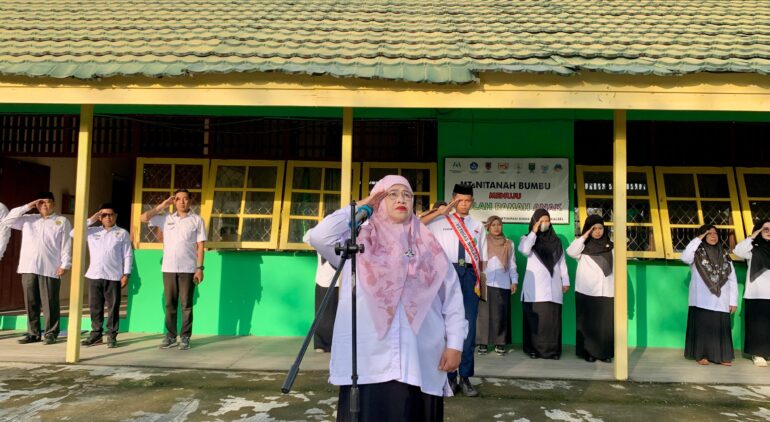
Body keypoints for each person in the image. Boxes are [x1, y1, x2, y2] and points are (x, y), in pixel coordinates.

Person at [309, 175, 466, 422]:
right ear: (379, 200)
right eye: (392, 194)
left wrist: (455, 344)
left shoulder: (429, 246)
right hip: (369, 362)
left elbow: (452, 297)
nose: (401, 199)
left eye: (407, 195)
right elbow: (320, 236)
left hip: (421, 358)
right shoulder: (356, 244)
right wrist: (365, 204)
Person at [420, 183, 486, 397]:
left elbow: (482, 259)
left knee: (468, 326)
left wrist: (481, 287)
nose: (464, 204)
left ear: (472, 202)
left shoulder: (478, 226)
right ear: (453, 200)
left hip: (470, 276)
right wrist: (439, 212)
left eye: (468, 201)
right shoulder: (439, 222)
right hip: (445, 273)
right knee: (444, 325)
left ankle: (465, 376)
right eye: (460, 200)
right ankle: (448, 377)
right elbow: (415, 226)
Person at [140, 188, 206, 350]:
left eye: (185, 198)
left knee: (186, 304)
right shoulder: (166, 219)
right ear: (174, 201)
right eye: (178, 199)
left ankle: (185, 337)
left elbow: (200, 245)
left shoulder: (197, 220)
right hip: (168, 268)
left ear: (190, 201)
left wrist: (199, 268)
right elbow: (143, 218)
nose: (182, 201)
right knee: (170, 304)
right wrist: (162, 205)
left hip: (188, 268)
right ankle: (170, 336)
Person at [4, 192, 72, 344]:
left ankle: (51, 333)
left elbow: (66, 244)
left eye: (47, 202)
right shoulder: (28, 220)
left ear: (54, 203)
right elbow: (7, 220)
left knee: (50, 302)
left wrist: (65, 264)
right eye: (41, 203)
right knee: (31, 302)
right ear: (37, 205)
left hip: (50, 268)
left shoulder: (61, 221)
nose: (44, 205)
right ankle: (33, 333)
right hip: (28, 267)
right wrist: (28, 206)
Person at [75, 203, 133, 348]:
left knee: (113, 308)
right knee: (95, 307)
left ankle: (112, 336)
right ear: (100, 217)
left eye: (110, 215)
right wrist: (92, 218)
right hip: (94, 275)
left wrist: (126, 274)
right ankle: (96, 335)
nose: (108, 217)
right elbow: (73, 233)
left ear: (115, 216)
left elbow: (127, 255)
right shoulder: (92, 231)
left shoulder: (122, 233)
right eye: (104, 215)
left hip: (113, 276)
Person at [681, 224, 737, 366]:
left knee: (720, 328)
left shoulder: (724, 254)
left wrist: (733, 300)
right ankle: (702, 355)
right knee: (703, 327)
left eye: (715, 233)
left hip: (721, 298)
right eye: (709, 233)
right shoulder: (696, 253)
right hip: (701, 299)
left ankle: (722, 356)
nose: (713, 236)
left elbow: (732, 278)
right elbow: (684, 257)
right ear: (702, 236)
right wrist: (698, 239)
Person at [518, 208, 569, 360]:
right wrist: (534, 232)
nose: (545, 223)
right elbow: (524, 250)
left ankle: (552, 351)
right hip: (535, 289)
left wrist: (565, 280)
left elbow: (562, 263)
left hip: (553, 286)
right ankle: (532, 350)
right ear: (535, 222)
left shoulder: (556, 242)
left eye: (547, 221)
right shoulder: (527, 238)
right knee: (535, 321)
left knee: (552, 321)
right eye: (541, 221)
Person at [566, 215, 614, 363]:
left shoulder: (611, 246)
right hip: (586, 291)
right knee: (587, 324)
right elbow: (570, 251)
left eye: (600, 228)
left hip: (606, 290)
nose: (598, 231)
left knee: (605, 324)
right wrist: (584, 236)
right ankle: (588, 353)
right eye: (594, 229)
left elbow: (617, 270)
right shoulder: (582, 247)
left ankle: (604, 353)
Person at [476, 215, 517, 356]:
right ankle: (483, 343)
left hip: (503, 282)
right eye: (493, 225)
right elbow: (476, 260)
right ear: (488, 227)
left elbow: (512, 264)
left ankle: (500, 343)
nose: (496, 227)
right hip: (484, 282)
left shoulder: (509, 243)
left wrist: (514, 281)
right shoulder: (482, 241)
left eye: (499, 224)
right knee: (483, 314)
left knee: (500, 313)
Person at [733, 219, 770, 367]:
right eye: (765, 229)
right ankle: (758, 354)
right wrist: (753, 235)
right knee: (757, 326)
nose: (768, 232)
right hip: (756, 294)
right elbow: (737, 251)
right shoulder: (752, 249)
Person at [303, 229, 338, 353]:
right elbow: (306, 237)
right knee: (321, 314)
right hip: (322, 281)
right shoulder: (319, 238)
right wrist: (321, 228)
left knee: (336, 315)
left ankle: (335, 343)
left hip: (338, 282)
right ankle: (320, 344)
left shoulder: (341, 237)